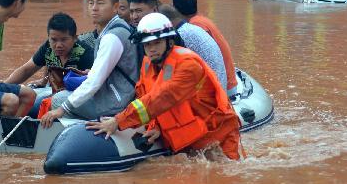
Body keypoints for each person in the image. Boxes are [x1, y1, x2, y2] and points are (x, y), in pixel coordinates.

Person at [87, 13, 242, 160]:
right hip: (189, 137)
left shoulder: (188, 66)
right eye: (147, 44)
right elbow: (145, 96)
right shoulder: (148, 64)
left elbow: (162, 98)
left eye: (157, 42)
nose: (152, 49)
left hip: (217, 133)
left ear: (170, 42)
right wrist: (155, 127)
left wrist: (118, 121)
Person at [39, 0, 138, 127]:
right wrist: (90, 72)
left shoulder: (112, 37)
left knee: (59, 99)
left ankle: (82, 133)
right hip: (122, 95)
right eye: (91, 3)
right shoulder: (121, 28)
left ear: (116, 7)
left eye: (100, 3)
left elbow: (94, 82)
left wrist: (62, 109)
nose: (94, 8)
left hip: (116, 103)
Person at [4, 13, 94, 114]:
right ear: (49, 38)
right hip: (51, 90)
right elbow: (26, 70)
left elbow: (96, 83)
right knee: (19, 97)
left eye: (64, 40)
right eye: (54, 40)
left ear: (75, 38)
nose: (58, 45)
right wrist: (1, 88)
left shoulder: (85, 54)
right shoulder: (47, 48)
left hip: (74, 97)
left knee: (33, 103)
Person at [172, 0, 239, 96]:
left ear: (175, 9)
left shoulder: (194, 26)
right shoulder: (202, 20)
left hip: (225, 85)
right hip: (228, 80)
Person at [159, 4, 228, 91]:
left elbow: (171, 70)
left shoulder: (181, 35)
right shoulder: (192, 28)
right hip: (219, 85)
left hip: (211, 92)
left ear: (166, 22)